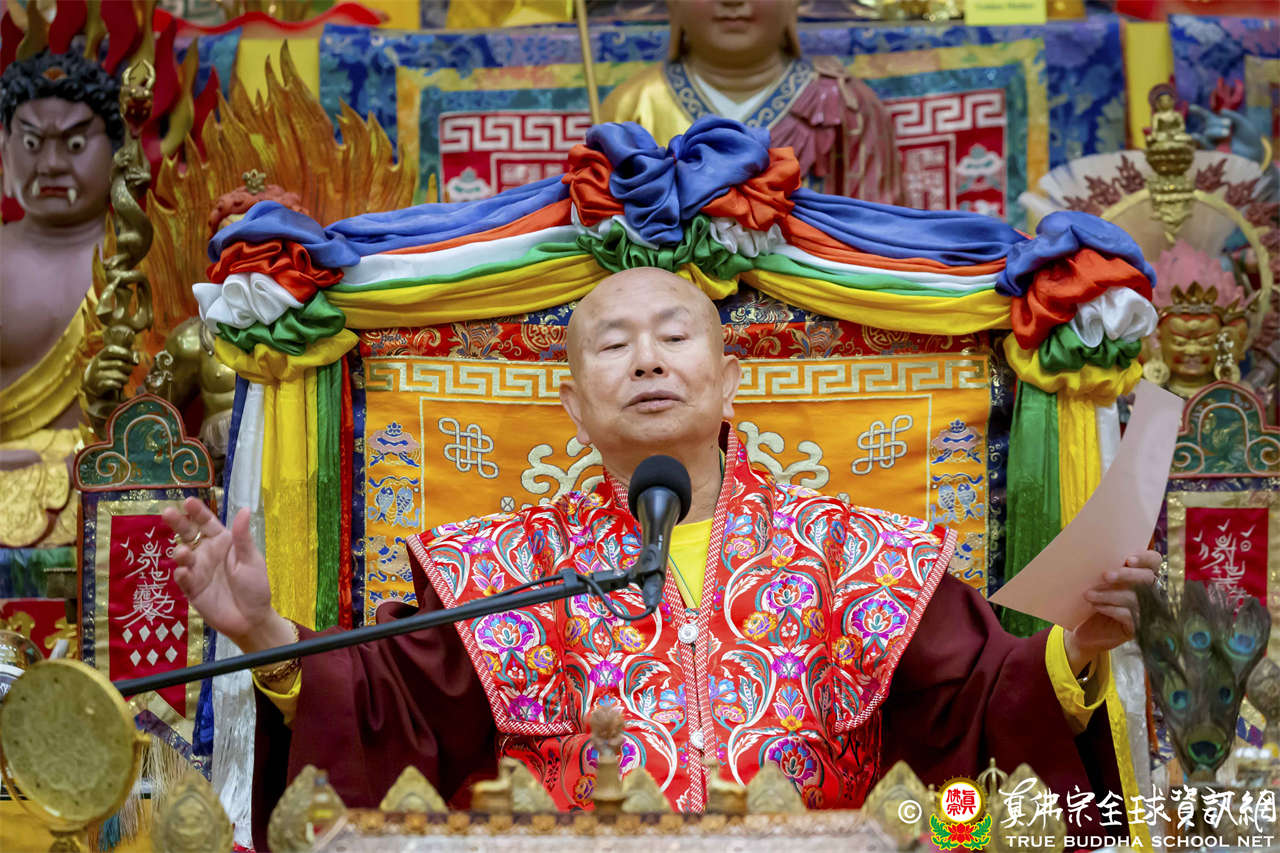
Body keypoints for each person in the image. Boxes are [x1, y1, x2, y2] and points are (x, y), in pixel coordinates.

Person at [163, 267, 1157, 845]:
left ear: (728, 382)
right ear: (571, 405)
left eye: (674, 337)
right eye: (613, 346)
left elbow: (978, 704)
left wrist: (1075, 651)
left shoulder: (854, 551)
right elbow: (386, 714)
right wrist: (264, 633)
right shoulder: (504, 566)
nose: (645, 359)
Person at [601, 0, 903, 204]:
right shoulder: (632, 104)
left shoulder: (845, 105)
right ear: (674, 5)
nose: (732, 2)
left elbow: (879, 226)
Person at [0, 49, 122, 547]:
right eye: (31, 143)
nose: (50, 164)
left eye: (74, 144)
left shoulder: (146, 257)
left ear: (117, 149)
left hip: (116, 480)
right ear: (4, 148)